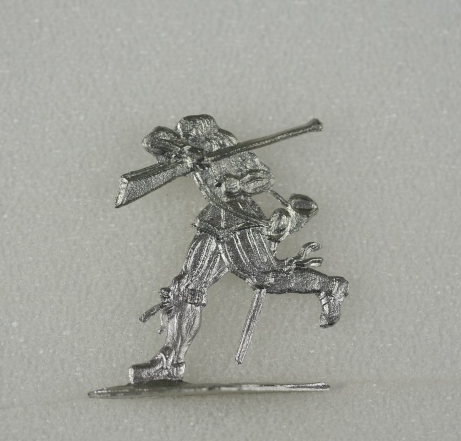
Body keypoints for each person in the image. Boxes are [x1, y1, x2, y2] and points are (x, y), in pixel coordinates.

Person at [129, 115, 348, 384]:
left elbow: (264, 178)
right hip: (213, 222)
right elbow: (153, 140)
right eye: (185, 136)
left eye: (192, 135)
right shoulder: (188, 151)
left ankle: (330, 286)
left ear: (208, 135)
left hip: (241, 221)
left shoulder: (235, 154)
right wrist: (184, 151)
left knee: (267, 278)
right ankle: (170, 363)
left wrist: (239, 184)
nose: (188, 139)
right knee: (187, 288)